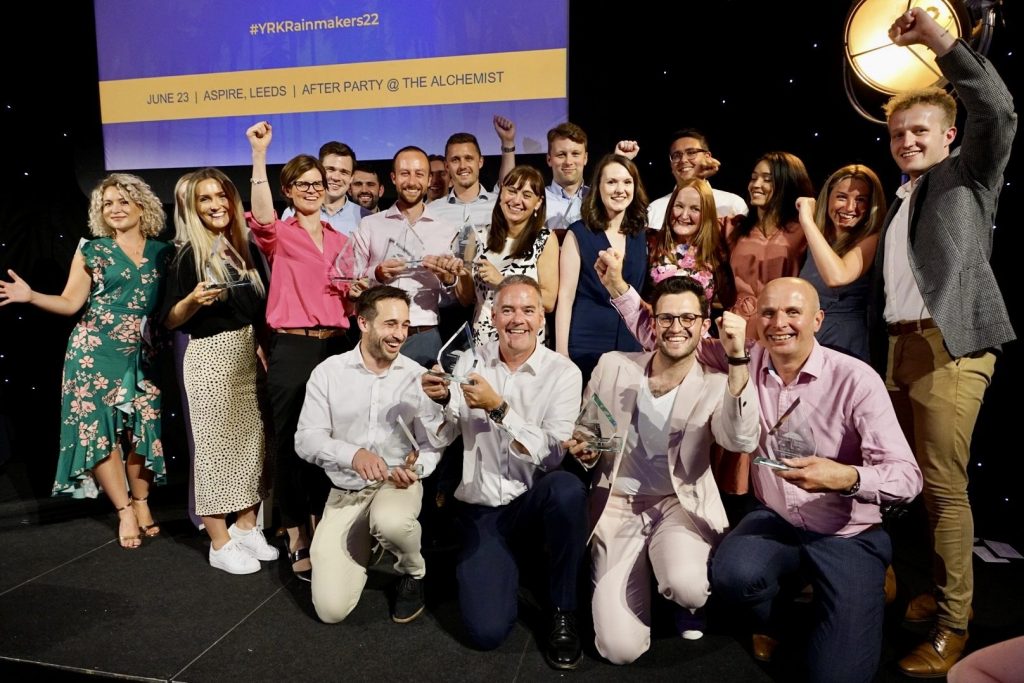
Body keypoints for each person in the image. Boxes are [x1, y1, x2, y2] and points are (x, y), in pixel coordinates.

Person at [870, 9, 1017, 677]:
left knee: (944, 487)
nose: (906, 140)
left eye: (919, 130)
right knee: (915, 487)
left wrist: (939, 42)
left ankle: (955, 623)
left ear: (949, 134)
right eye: (898, 133)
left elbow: (999, 109)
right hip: (903, 347)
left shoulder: (968, 175)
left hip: (951, 343)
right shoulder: (904, 197)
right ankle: (932, 589)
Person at [566, 276, 758, 665]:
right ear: (652, 323)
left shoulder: (716, 383)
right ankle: (646, 576)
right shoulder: (614, 366)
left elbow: (740, 440)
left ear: (705, 325)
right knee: (620, 651)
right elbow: (587, 428)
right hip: (617, 505)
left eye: (688, 318)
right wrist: (583, 448)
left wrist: (738, 359)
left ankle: (683, 598)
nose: (676, 328)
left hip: (677, 505)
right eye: (666, 318)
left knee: (687, 585)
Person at [421, 276, 587, 670]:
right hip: (482, 510)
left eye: (528, 310)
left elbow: (551, 456)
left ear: (541, 317)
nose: (518, 320)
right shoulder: (469, 361)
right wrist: (444, 400)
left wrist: (500, 409)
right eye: (508, 310)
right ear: (492, 317)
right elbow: (444, 435)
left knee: (567, 489)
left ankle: (564, 610)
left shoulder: (563, 373)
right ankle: (506, 564)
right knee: (486, 633)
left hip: (532, 501)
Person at [0, 173, 172, 548]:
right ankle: (125, 509)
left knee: (143, 433)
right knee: (101, 434)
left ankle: (142, 501)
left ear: (142, 205)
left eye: (123, 201)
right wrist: (31, 297)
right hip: (94, 352)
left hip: (144, 354)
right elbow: (70, 303)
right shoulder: (91, 250)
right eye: (107, 203)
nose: (115, 209)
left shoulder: (164, 251)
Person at [246, 120, 355, 582]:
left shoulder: (342, 240)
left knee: (328, 443)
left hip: (336, 345)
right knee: (292, 442)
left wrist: (361, 288)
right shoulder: (279, 234)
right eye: (303, 183)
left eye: (319, 182)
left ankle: (326, 525)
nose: (314, 188)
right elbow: (262, 216)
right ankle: (295, 532)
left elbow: (349, 295)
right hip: (291, 344)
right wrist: (259, 155)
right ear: (288, 190)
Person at [295, 286, 443, 624]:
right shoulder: (329, 373)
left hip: (396, 486)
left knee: (391, 521)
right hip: (346, 492)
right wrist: (352, 454)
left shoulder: (416, 377)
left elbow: (433, 444)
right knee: (331, 611)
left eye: (405, 325)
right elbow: (305, 439)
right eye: (391, 324)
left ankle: (413, 571)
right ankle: (371, 542)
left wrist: (417, 467)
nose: (400, 334)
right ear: (363, 322)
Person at [161, 168, 277, 574]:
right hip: (211, 356)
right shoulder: (183, 254)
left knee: (253, 447)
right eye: (204, 200)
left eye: (220, 196)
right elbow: (170, 319)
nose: (215, 205)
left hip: (247, 353)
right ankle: (219, 540)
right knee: (215, 451)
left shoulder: (239, 247)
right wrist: (192, 301)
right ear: (190, 208)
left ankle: (246, 526)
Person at [352, 146, 464, 367]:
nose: (412, 181)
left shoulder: (446, 230)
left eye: (419, 174)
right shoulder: (370, 225)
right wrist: (377, 273)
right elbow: (352, 278)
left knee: (423, 401)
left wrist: (448, 279)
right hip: (378, 333)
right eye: (405, 173)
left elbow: (453, 297)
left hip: (425, 335)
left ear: (428, 178)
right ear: (393, 177)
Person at [556, 153, 649, 383]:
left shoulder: (641, 235)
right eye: (611, 182)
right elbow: (565, 297)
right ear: (598, 187)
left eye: (627, 182)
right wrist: (561, 354)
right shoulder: (578, 233)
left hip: (632, 342)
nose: (620, 189)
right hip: (587, 341)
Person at [454, 165, 558, 345]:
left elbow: (548, 301)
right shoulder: (473, 236)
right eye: (512, 191)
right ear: (501, 192)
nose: (517, 200)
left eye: (527, 195)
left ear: (538, 203)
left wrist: (502, 282)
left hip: (525, 340)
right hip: (483, 343)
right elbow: (466, 300)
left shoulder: (544, 239)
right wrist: (459, 275)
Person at [795, 164, 886, 362]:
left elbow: (837, 276)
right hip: (810, 337)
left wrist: (807, 220)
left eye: (861, 200)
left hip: (846, 343)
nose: (850, 208)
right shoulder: (819, 241)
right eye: (842, 197)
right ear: (828, 197)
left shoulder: (872, 239)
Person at [728, 151, 813, 337]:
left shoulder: (805, 230)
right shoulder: (733, 227)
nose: (756, 185)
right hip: (739, 327)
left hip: (783, 327)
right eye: (753, 178)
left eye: (767, 179)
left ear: (788, 183)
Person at [619, 129, 748, 231]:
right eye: (676, 155)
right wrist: (620, 160)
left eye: (691, 152)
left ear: (707, 157)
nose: (683, 160)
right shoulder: (655, 210)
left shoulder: (732, 205)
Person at [646, 178, 735, 311]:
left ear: (706, 214)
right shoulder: (650, 242)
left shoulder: (717, 250)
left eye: (695, 209)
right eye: (679, 206)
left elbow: (729, 302)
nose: (684, 215)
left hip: (700, 330)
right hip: (655, 328)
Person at [282, 140, 369, 235]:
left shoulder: (366, 218)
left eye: (344, 172)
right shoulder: (291, 213)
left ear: (351, 178)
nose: (336, 177)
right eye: (330, 169)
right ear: (319, 171)